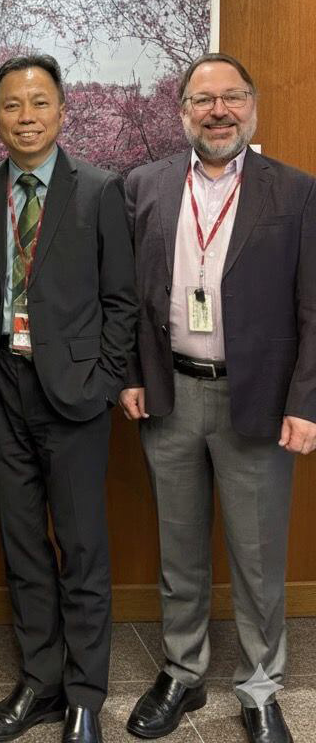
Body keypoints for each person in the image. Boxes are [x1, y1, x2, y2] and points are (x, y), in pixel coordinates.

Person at [121, 53, 316, 743]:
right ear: (182, 113)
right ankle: (183, 672)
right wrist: (130, 374)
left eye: (232, 98)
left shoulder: (294, 192)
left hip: (257, 401)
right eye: (203, 101)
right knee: (180, 551)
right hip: (171, 395)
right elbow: (128, 298)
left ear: (252, 107)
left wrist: (306, 402)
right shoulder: (143, 186)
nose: (219, 111)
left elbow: (313, 307)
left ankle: (262, 688)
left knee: (259, 558)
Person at [0, 54, 137, 743]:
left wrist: (103, 382)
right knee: (23, 545)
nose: (26, 117)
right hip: (3, 388)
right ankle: (41, 684)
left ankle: (86, 693)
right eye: (12, 105)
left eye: (39, 104)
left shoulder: (98, 189)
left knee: (82, 548)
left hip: (75, 395)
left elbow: (122, 301)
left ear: (62, 109)